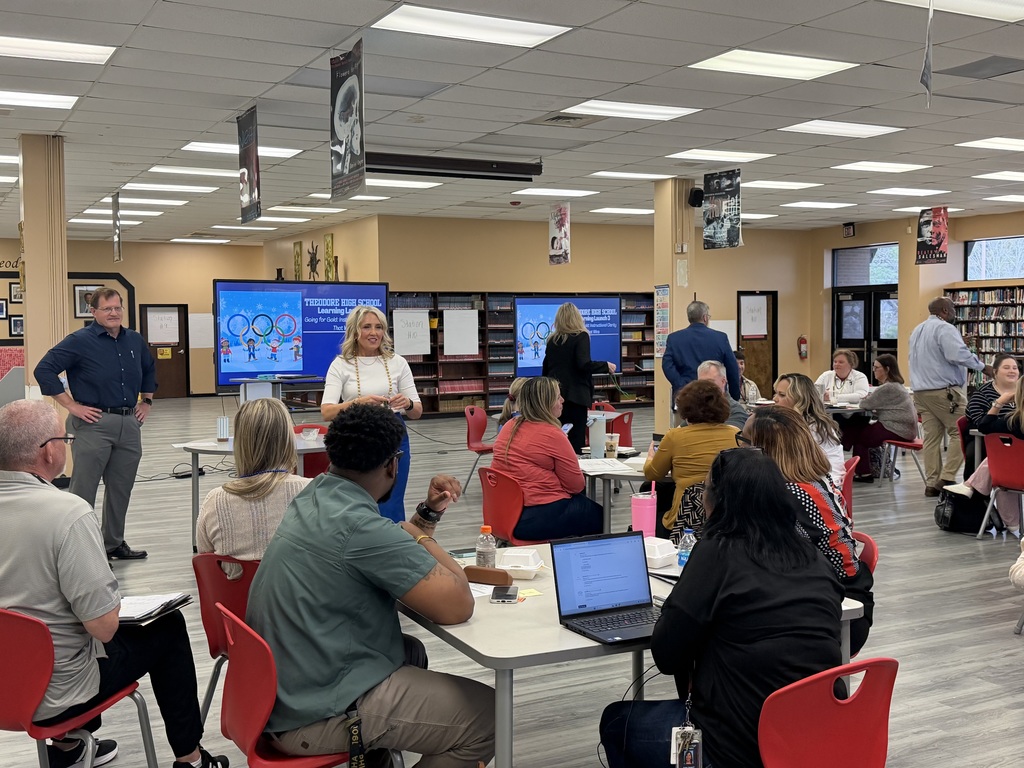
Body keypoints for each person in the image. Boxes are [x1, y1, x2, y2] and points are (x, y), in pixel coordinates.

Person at [246, 404, 495, 766]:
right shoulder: (361, 528)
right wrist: (416, 535)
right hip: (314, 714)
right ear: (393, 464)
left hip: (284, 690)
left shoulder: (315, 496)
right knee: (487, 716)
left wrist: (425, 517)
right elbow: (458, 604)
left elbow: (385, 557)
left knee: (410, 651)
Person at [0, 400, 228, 768]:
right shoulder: (67, 513)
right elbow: (104, 628)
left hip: (4, 684)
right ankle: (192, 757)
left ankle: (68, 750)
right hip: (54, 694)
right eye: (65, 437)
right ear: (48, 452)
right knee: (166, 626)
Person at [599, 448, 843, 768]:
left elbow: (666, 655)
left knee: (617, 721)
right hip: (818, 739)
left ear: (715, 500)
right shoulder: (815, 558)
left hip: (736, 747)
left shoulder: (718, 551)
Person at [33, 287, 156, 560]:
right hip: (93, 425)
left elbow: (149, 369)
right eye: (107, 309)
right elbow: (44, 369)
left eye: (117, 308)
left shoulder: (134, 340)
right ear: (94, 312)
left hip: (129, 424)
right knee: (83, 490)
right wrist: (71, 405)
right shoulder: (79, 341)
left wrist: (146, 402)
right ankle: (80, 551)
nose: (114, 313)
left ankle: (112, 544)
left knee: (121, 488)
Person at [743, 405, 874, 655]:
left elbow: (763, 561)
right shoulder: (813, 478)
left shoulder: (787, 496)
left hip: (837, 611)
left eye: (743, 441)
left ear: (760, 451)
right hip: (833, 593)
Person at [321, 306, 421, 523]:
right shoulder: (340, 365)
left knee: (392, 500)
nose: (374, 333)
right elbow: (327, 411)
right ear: (355, 331)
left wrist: (408, 402)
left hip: (393, 435)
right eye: (367, 327)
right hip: (355, 436)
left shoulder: (398, 362)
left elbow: (417, 412)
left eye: (379, 327)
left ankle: (392, 545)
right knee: (356, 498)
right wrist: (358, 403)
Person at [196, 398, 310, 564]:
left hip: (233, 590)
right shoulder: (313, 492)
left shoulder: (215, 501)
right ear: (288, 439)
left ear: (240, 443)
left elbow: (206, 559)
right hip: (298, 589)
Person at [491, 376, 603, 541]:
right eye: (558, 396)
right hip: (534, 516)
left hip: (502, 513)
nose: (563, 400)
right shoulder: (552, 434)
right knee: (600, 516)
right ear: (546, 402)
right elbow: (576, 485)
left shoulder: (510, 425)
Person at [909, 297, 994, 497]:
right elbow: (958, 356)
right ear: (945, 310)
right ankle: (947, 477)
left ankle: (931, 483)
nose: (956, 311)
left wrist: (957, 343)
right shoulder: (945, 329)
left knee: (932, 437)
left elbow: (936, 354)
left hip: (921, 392)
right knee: (963, 430)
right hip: (944, 392)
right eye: (954, 308)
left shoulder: (917, 330)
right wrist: (984, 367)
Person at [644, 380, 738, 540]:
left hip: (685, 517)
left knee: (654, 500)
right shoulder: (736, 434)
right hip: (726, 514)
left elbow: (653, 474)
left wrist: (650, 457)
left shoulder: (675, 436)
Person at [541, 302, 616, 454]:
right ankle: (576, 474)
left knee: (557, 439)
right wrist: (605, 365)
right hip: (576, 397)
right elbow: (583, 364)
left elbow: (546, 368)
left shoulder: (551, 340)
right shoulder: (581, 336)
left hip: (555, 397)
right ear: (577, 318)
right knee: (576, 442)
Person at [841, 354, 918, 484]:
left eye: (876, 367)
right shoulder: (896, 385)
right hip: (904, 428)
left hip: (897, 428)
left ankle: (861, 471)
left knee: (859, 436)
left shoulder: (888, 387)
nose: (874, 370)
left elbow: (865, 405)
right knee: (858, 426)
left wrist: (868, 401)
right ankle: (857, 464)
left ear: (887, 369)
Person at [662, 301, 741, 411]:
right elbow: (732, 368)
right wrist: (734, 397)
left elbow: (667, 365)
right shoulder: (720, 337)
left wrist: (681, 384)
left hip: (686, 396)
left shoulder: (674, 338)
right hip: (714, 397)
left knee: (684, 427)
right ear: (705, 317)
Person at [772, 372, 846, 487]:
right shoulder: (789, 422)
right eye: (776, 393)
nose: (775, 399)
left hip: (823, 486)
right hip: (804, 480)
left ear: (799, 399)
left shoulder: (815, 428)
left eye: (782, 395)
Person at [964, 353, 1019, 475]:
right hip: (988, 439)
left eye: (1015, 368)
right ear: (995, 372)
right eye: (1006, 368)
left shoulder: (1022, 390)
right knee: (976, 451)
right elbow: (981, 424)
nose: (1012, 371)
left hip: (1018, 437)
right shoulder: (981, 394)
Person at [695, 359, 749, 429]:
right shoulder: (696, 409)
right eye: (700, 383)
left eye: (709, 382)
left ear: (723, 381)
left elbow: (729, 435)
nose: (704, 387)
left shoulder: (735, 411)